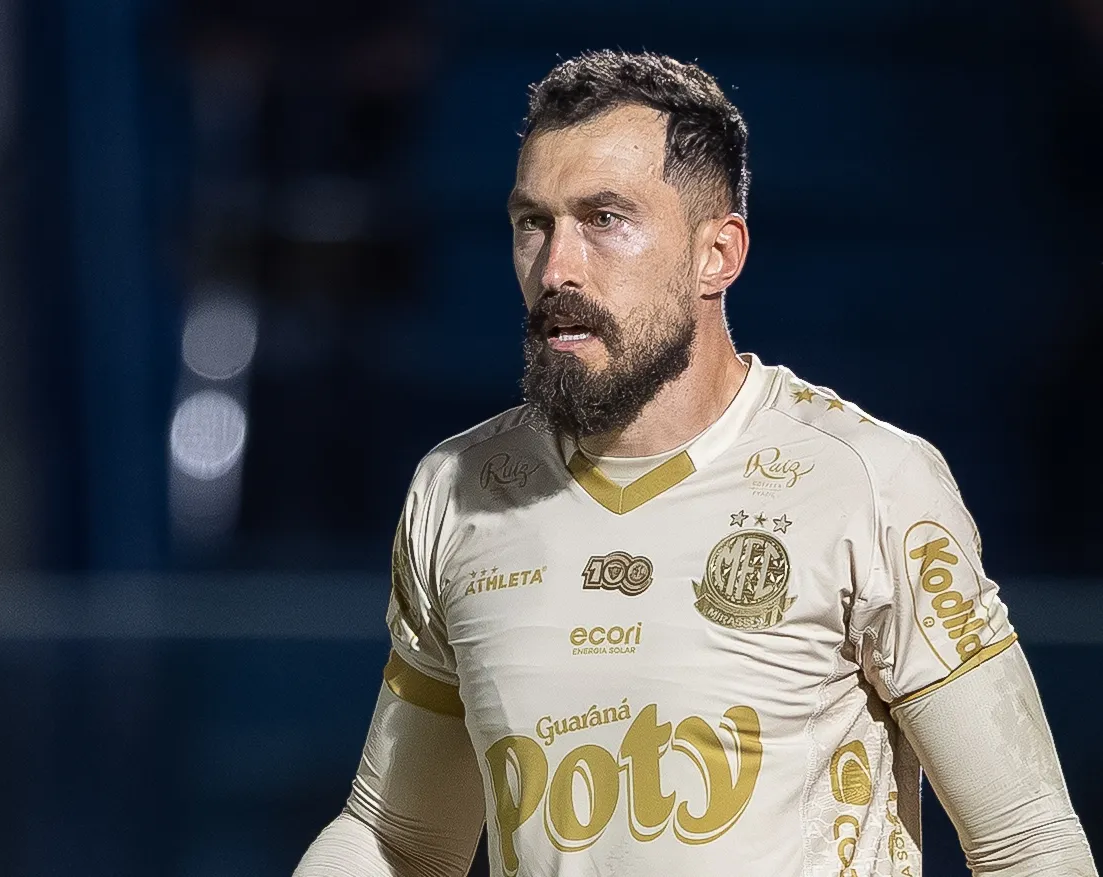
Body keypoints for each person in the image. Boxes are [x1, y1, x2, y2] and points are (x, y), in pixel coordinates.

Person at [293, 50, 1097, 876]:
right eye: (533, 222)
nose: (556, 267)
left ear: (717, 253)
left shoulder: (869, 483)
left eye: (604, 217)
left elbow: (1027, 841)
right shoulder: (458, 488)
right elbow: (397, 837)